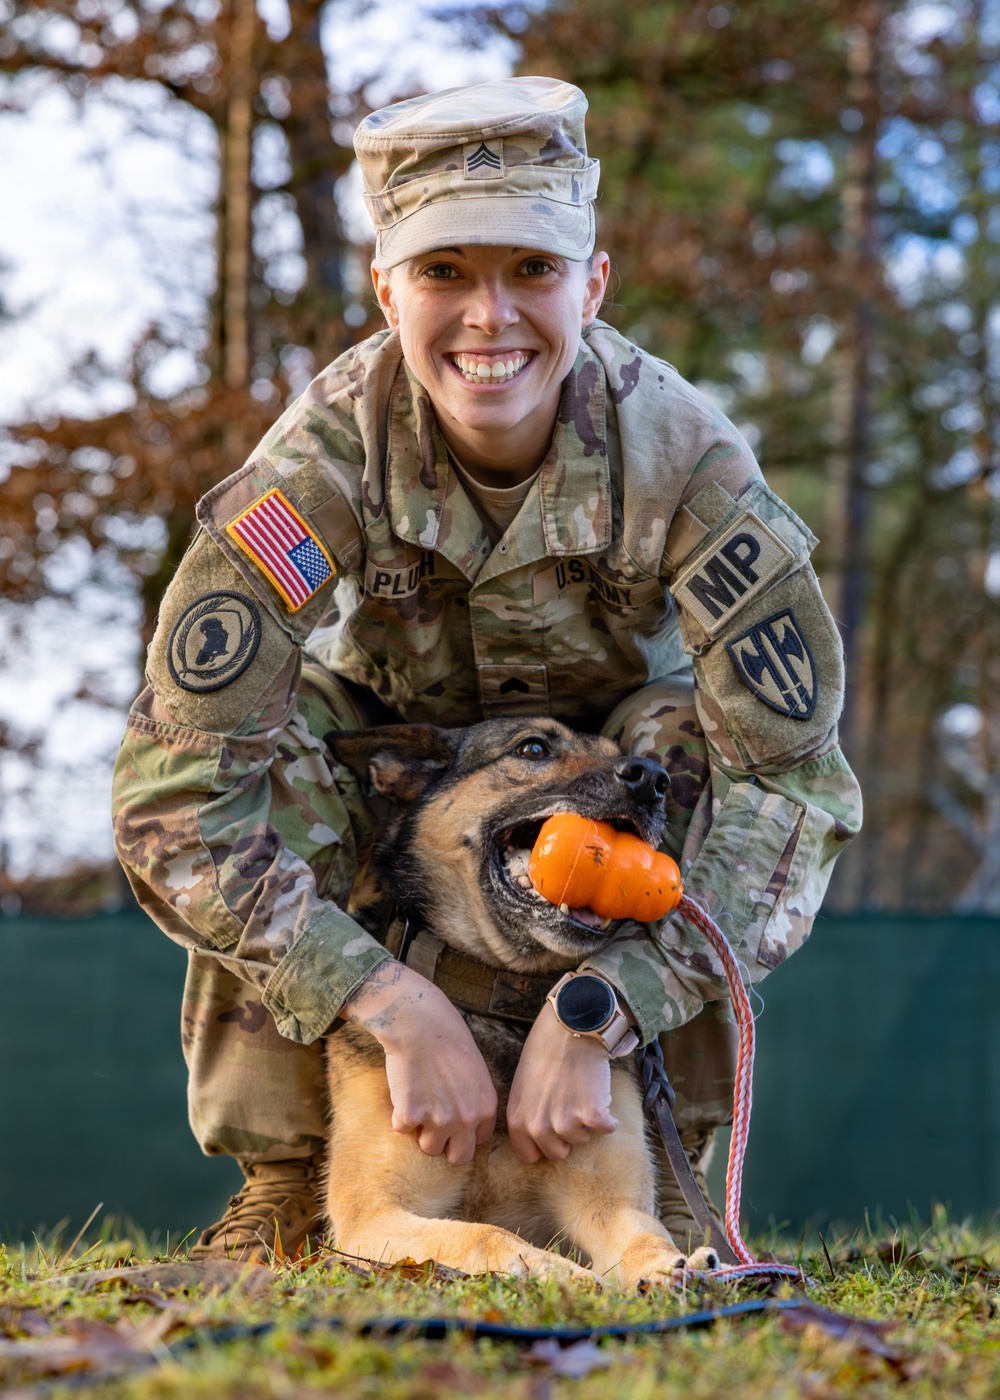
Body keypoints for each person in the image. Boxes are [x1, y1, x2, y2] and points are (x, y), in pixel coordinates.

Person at [113, 76, 862, 1260]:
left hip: (607, 757)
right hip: (396, 754)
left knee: (692, 747)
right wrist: (383, 995)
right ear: (387, 289)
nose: (489, 317)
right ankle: (290, 1176)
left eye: (532, 269)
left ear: (594, 283)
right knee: (283, 747)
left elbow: (799, 793)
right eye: (445, 271)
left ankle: (661, 1165)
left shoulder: (685, 459)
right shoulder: (316, 467)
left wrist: (605, 1003)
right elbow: (171, 797)